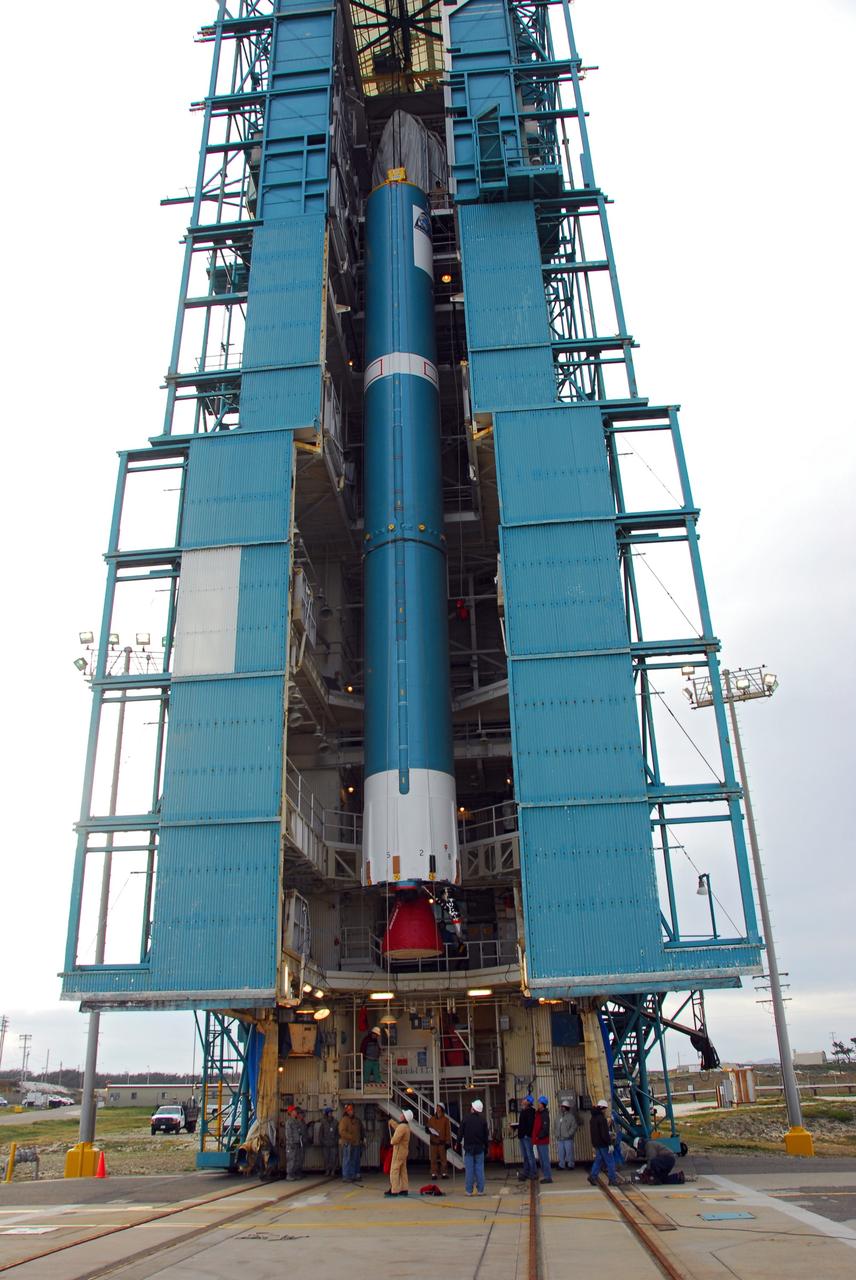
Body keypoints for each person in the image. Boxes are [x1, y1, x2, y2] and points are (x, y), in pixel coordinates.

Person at [461, 1099, 489, 1196]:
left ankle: (469, 1191)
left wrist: (457, 1142)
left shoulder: (465, 1118)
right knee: (479, 1169)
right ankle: (480, 1190)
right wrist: (487, 1147)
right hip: (480, 1148)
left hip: (468, 1148)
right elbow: (486, 1135)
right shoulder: (483, 1120)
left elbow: (460, 1132)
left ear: (473, 1108)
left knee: (469, 1170)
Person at [587, 1099, 618, 1186]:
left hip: (596, 1144)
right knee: (610, 1161)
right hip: (603, 1144)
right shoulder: (602, 1119)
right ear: (603, 1108)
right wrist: (609, 1143)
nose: (605, 1111)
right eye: (605, 1109)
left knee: (598, 1160)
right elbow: (604, 1133)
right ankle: (612, 1179)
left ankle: (593, 1176)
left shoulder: (592, 1118)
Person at [385, 1108, 412, 1197]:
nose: (401, 1115)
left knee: (394, 1170)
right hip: (404, 1152)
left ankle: (394, 1190)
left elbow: (395, 1139)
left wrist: (391, 1141)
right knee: (403, 1170)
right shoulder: (406, 1126)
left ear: (404, 1117)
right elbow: (398, 1127)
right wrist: (391, 1121)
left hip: (399, 1152)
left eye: (402, 1114)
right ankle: (404, 1189)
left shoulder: (402, 1127)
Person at [339, 1103, 363, 1183]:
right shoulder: (344, 1120)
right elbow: (342, 1132)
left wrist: (360, 1140)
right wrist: (350, 1137)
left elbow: (359, 1130)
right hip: (347, 1143)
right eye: (349, 1110)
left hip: (355, 1143)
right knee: (347, 1159)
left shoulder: (356, 1120)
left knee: (354, 1160)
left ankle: (352, 1175)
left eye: (352, 1110)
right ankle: (345, 1176)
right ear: (347, 1111)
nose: (351, 1111)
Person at [427, 1102, 452, 1179]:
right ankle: (434, 1173)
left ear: (442, 1109)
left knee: (443, 1159)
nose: (438, 1108)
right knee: (433, 1158)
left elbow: (448, 1131)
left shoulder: (445, 1120)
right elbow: (428, 1127)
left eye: (439, 1107)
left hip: (442, 1142)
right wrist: (428, 1130)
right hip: (433, 1142)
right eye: (437, 1107)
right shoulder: (431, 1119)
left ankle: (444, 1173)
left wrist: (448, 1141)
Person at [516, 1095, 537, 1181]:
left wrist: (527, 1134)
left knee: (529, 1155)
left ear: (528, 1102)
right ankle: (526, 1172)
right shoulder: (524, 1111)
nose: (522, 1101)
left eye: (524, 1100)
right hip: (522, 1136)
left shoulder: (531, 1111)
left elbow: (530, 1124)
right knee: (525, 1155)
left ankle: (533, 1172)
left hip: (526, 1137)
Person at [532, 1096, 552, 1183]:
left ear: (543, 1104)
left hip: (542, 1141)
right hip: (539, 1140)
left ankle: (548, 1177)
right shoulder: (539, 1113)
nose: (538, 1105)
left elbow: (545, 1128)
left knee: (544, 1159)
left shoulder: (544, 1115)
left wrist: (539, 1136)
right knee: (542, 1160)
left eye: (539, 1103)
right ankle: (546, 1175)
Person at [285, 1105, 305, 1180]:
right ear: (291, 1112)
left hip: (297, 1143)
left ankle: (295, 1173)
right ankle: (289, 1174)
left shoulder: (296, 1121)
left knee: (297, 1159)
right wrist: (291, 1142)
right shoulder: (289, 1122)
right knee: (291, 1159)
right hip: (292, 1144)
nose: (296, 1112)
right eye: (294, 1111)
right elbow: (288, 1134)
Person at [556, 1101, 578, 1170]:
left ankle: (570, 1165)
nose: (561, 1108)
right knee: (560, 1153)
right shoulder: (558, 1116)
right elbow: (555, 1126)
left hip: (568, 1139)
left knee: (569, 1152)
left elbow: (574, 1127)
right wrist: (556, 1133)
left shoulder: (571, 1117)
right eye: (561, 1107)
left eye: (563, 1107)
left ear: (566, 1108)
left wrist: (569, 1134)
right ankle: (561, 1165)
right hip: (560, 1138)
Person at [318, 1106, 338, 1176]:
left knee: (333, 1158)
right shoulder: (323, 1123)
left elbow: (337, 1133)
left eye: (331, 1113)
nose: (331, 1114)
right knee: (326, 1158)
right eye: (329, 1113)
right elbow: (320, 1134)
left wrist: (335, 1141)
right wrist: (322, 1142)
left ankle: (333, 1171)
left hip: (333, 1144)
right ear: (326, 1114)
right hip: (325, 1144)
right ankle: (327, 1170)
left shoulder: (335, 1122)